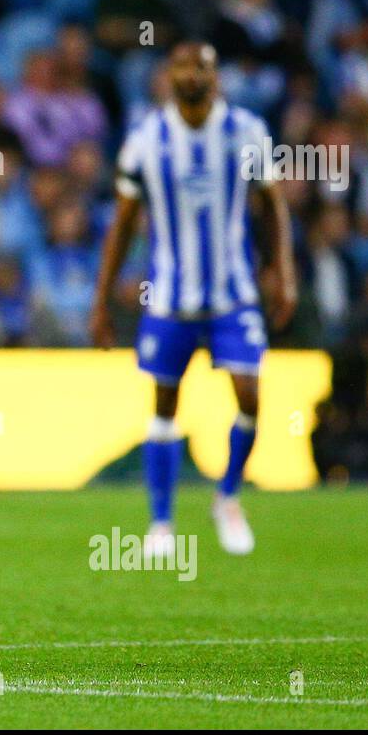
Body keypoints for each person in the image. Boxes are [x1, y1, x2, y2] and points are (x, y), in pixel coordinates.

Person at [90, 42, 297, 557]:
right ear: (169, 75)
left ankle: (227, 496)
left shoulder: (246, 131)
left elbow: (273, 207)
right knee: (164, 405)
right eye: (182, 66)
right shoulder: (146, 138)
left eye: (202, 65)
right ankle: (161, 522)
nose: (192, 75)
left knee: (250, 396)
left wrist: (283, 273)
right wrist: (100, 299)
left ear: (216, 74)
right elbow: (123, 223)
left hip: (235, 294)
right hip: (169, 297)